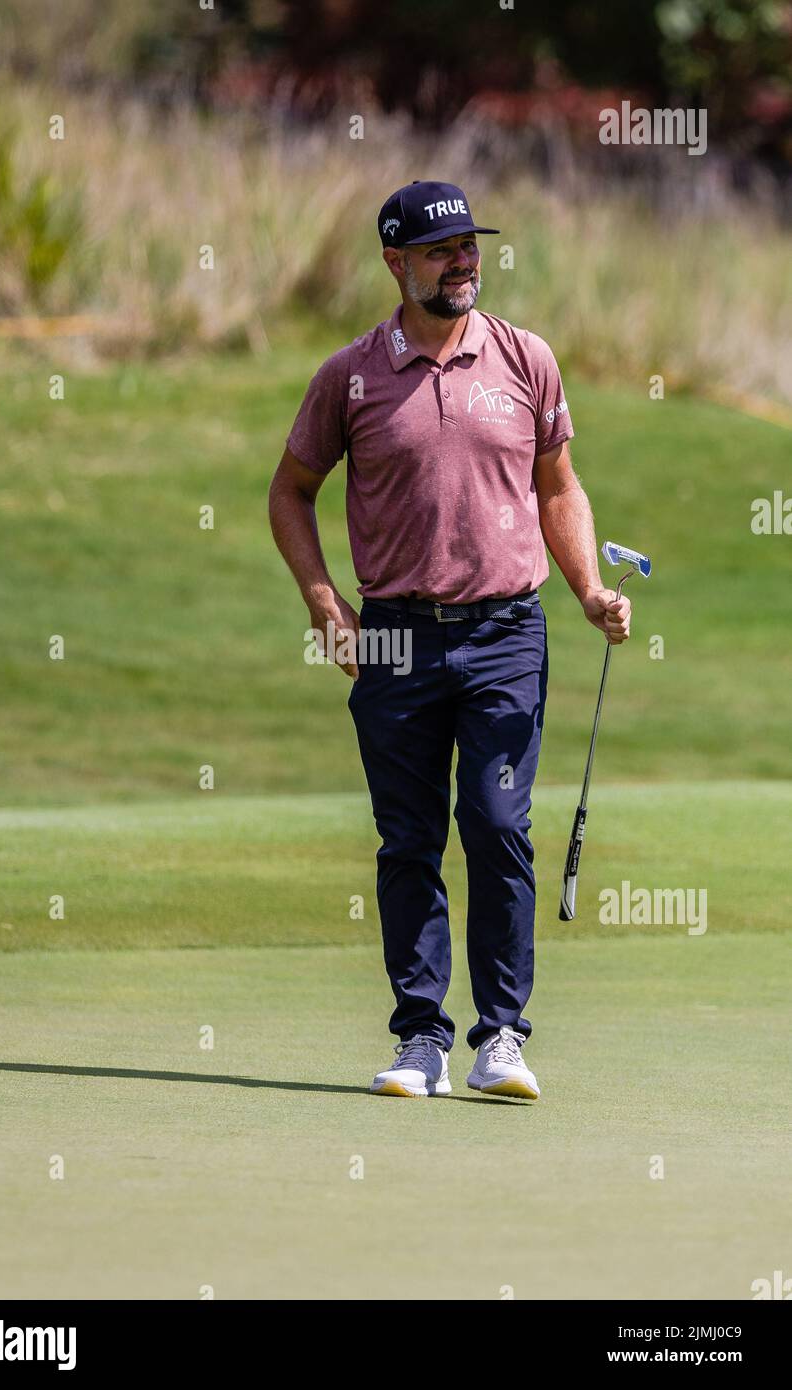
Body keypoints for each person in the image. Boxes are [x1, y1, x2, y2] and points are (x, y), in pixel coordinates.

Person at [269, 180, 630, 1101]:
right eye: (441, 250)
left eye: (469, 245)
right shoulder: (349, 375)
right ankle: (420, 1037)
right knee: (408, 840)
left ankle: (500, 1034)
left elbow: (558, 486)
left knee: (499, 826)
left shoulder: (524, 357)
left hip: (507, 628)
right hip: (393, 635)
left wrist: (587, 585)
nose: (462, 261)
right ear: (396, 263)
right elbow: (290, 490)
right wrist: (323, 602)